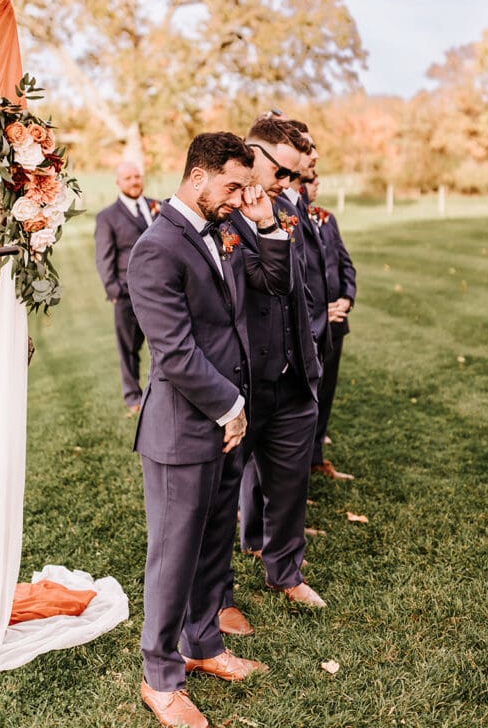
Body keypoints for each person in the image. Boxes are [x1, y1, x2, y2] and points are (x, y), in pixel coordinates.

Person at [127, 132, 291, 728]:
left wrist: (266, 222)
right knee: (173, 556)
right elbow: (173, 351)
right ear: (197, 176)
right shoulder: (156, 248)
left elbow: (274, 284)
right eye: (232, 184)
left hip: (227, 425)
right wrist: (231, 407)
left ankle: (202, 645)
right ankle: (159, 677)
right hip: (182, 430)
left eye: (245, 185)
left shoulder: (222, 228)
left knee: (212, 544)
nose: (239, 196)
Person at [223, 115, 326, 627]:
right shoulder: (220, 214)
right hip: (242, 378)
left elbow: (303, 285)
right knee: (222, 494)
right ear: (253, 153)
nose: (288, 185)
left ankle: (285, 571)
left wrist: (310, 349)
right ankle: (218, 597)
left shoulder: (286, 207)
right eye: (282, 172)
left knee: (289, 486)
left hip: (294, 373)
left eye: (292, 177)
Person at [94, 162, 160, 413]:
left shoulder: (158, 208)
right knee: (129, 347)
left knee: (162, 342)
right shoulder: (107, 217)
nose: (134, 181)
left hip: (159, 289)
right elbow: (104, 258)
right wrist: (114, 292)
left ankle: (163, 390)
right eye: (128, 178)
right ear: (118, 182)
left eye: (137, 176)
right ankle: (133, 397)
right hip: (126, 293)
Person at [304, 176, 357, 478]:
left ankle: (316, 459)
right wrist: (317, 312)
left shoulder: (327, 219)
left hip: (336, 324)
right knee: (306, 397)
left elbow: (346, 265)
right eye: (309, 180)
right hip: (309, 324)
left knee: (326, 393)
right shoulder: (288, 221)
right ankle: (299, 465)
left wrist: (346, 299)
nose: (316, 183)